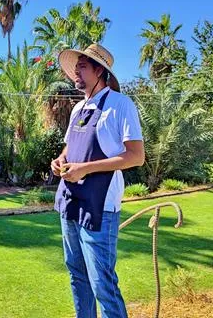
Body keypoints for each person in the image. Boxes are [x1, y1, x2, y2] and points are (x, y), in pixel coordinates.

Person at [51, 44, 145, 318]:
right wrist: (59, 161)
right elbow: (69, 149)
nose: (75, 72)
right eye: (75, 66)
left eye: (82, 66)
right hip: (70, 201)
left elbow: (136, 157)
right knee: (77, 275)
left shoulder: (120, 105)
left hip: (100, 207)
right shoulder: (78, 108)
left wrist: (86, 169)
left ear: (99, 70)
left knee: (102, 283)